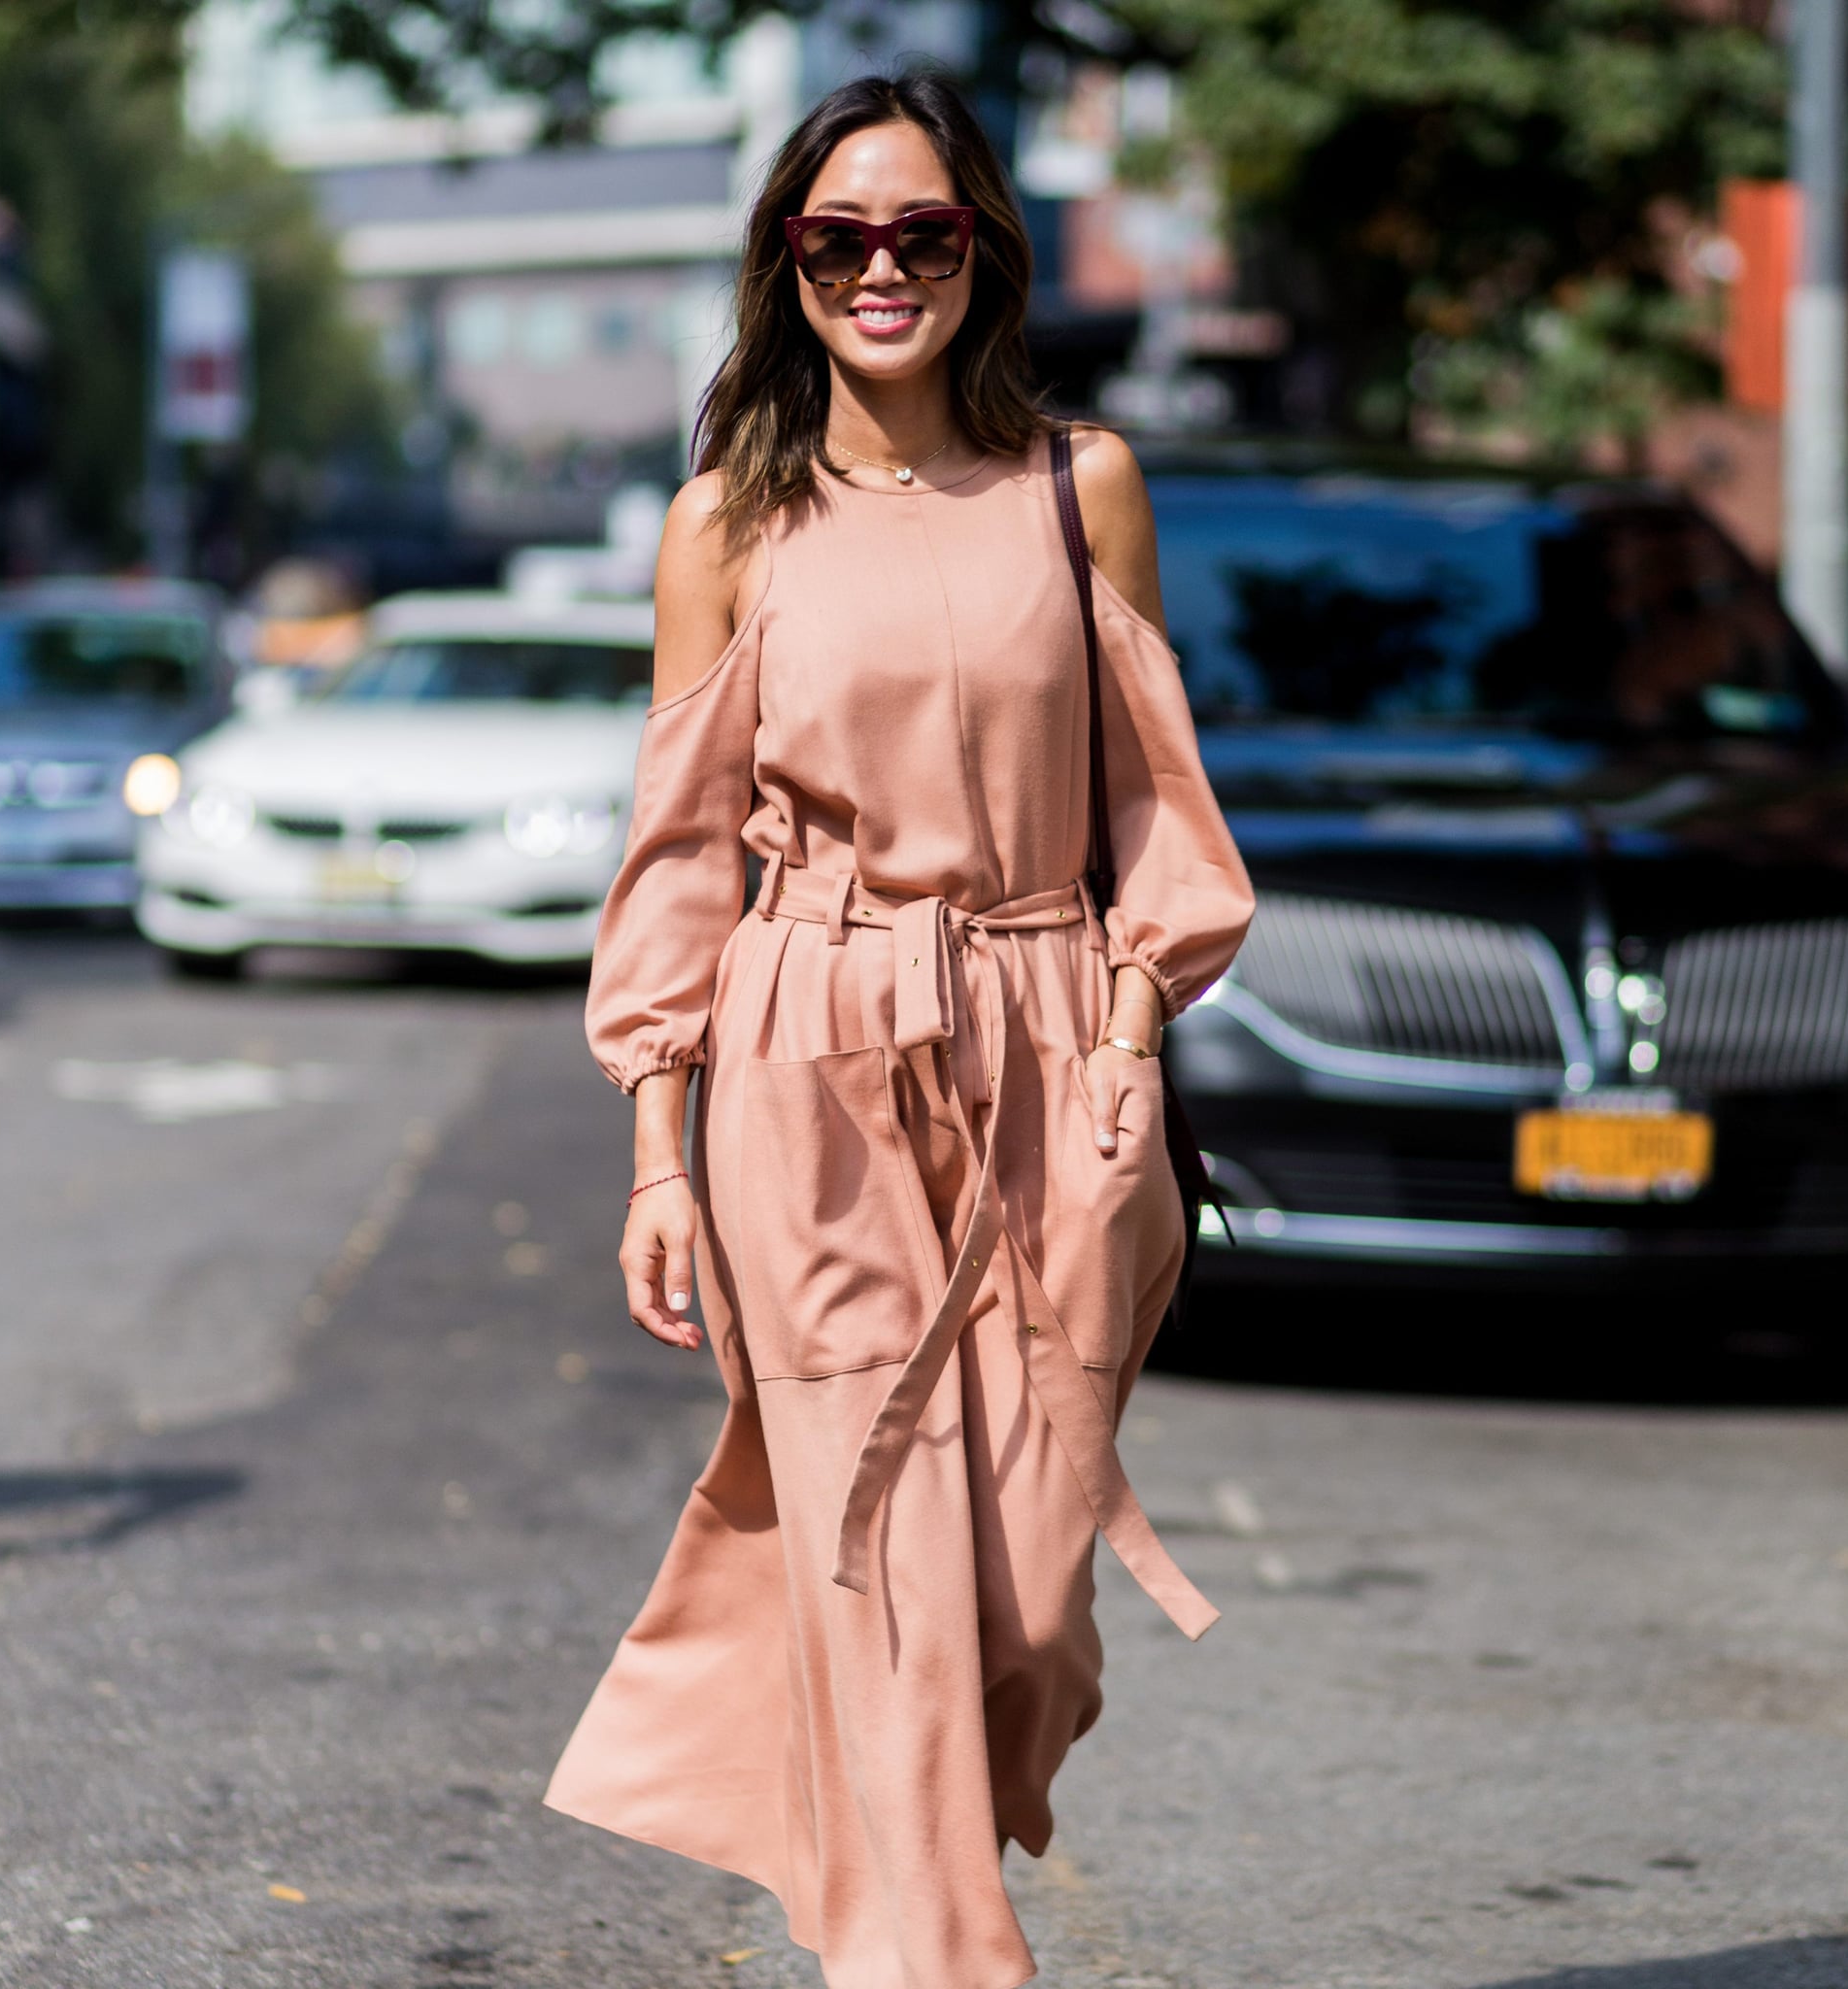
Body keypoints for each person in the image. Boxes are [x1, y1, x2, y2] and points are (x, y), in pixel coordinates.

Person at [546, 67, 1256, 1989]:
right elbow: (679, 859)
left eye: (920, 234)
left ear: (981, 258)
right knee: (878, 1554)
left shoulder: (1076, 486)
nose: (880, 267)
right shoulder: (726, 523)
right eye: (837, 235)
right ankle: (942, 1961)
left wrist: (1126, 1043)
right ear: (786, 262)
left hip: (1054, 1045)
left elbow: (1153, 815)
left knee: (1022, 1592)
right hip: (811, 1063)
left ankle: (908, 1883)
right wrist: (656, 1150)